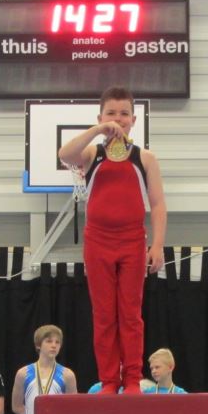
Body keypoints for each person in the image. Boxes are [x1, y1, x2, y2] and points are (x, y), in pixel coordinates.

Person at [57, 86, 167, 394]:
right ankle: (108, 380)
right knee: (104, 315)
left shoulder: (145, 158)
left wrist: (157, 244)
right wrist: (97, 131)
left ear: (134, 119)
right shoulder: (92, 154)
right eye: (111, 113)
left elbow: (158, 204)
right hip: (98, 241)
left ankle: (131, 378)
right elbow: (64, 154)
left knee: (130, 314)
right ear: (101, 117)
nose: (118, 119)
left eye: (123, 114)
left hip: (132, 240)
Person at [12, 325, 77, 414]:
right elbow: (16, 406)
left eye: (57, 342)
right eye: (49, 341)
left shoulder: (67, 375)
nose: (54, 345)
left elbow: (73, 407)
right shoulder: (23, 373)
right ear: (38, 345)